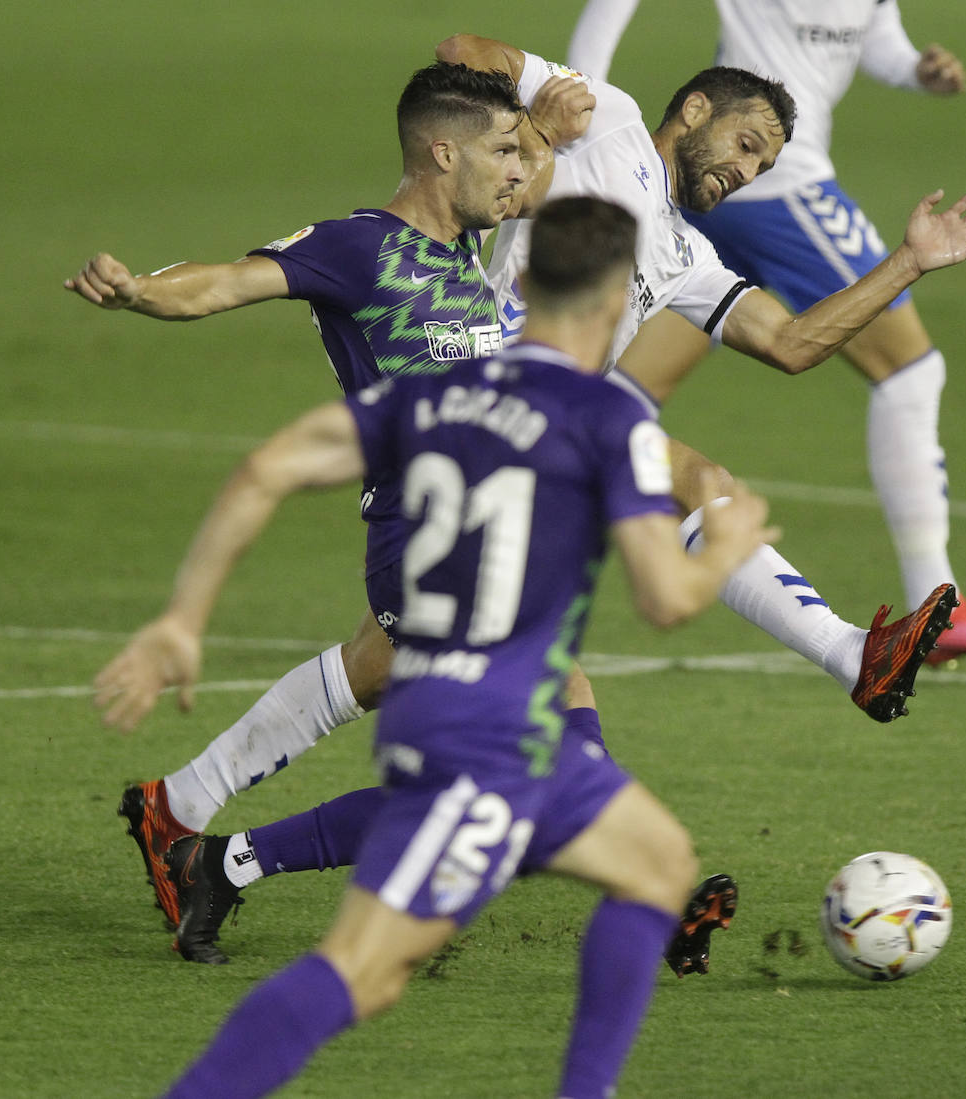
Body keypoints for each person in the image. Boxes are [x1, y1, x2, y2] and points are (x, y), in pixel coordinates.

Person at [76, 49, 966, 948]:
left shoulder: (576, 253)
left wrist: (909, 263)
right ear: (692, 111)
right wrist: (139, 292)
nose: (521, 173)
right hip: (440, 522)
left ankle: (184, 816)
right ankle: (655, 879)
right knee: (507, 769)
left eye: (767, 166)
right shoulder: (516, 169)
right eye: (746, 144)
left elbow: (797, 341)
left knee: (515, 728)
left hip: (521, 490)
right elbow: (235, 278)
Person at [147, 195, 775, 1099]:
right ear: (610, 310)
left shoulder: (426, 394)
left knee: (658, 866)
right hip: (486, 736)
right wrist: (724, 547)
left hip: (467, 702)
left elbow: (268, 469)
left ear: (518, 281)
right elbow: (667, 599)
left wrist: (182, 617)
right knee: (361, 969)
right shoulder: (607, 419)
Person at [565, 0, 966, 662]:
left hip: (713, 207)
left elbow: (789, 343)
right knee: (910, 368)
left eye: (754, 159)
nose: (745, 164)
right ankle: (941, 597)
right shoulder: (611, 142)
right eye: (744, 149)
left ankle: (547, 483)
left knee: (633, 408)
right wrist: (582, 90)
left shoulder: (697, 227)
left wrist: (914, 70)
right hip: (783, 191)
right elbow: (470, 54)